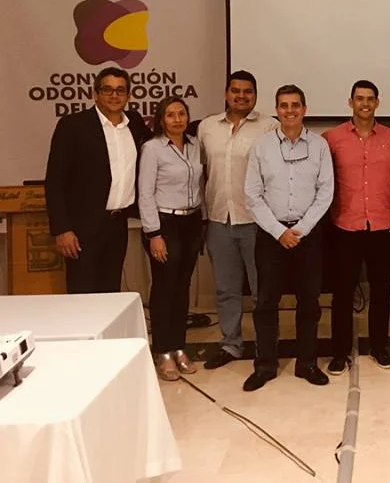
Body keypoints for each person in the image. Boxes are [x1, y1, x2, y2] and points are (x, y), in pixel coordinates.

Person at [242, 85, 334, 391]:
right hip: (272, 235)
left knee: (309, 301)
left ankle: (306, 363)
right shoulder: (262, 146)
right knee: (266, 302)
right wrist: (279, 231)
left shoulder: (319, 146)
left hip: (308, 235)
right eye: (284, 105)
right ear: (276, 110)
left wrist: (301, 229)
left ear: (304, 109)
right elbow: (252, 195)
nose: (290, 111)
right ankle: (265, 365)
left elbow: (326, 192)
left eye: (296, 105)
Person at [196, 70, 278, 369]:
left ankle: (266, 346)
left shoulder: (269, 127)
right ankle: (230, 344)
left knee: (261, 290)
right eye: (235, 90)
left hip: (258, 222)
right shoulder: (207, 127)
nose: (241, 96)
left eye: (247, 91)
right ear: (226, 93)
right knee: (226, 289)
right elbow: (200, 171)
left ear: (255, 95)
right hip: (219, 219)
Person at [323, 80, 390, 374]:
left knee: (381, 291)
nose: (365, 104)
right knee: (343, 293)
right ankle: (339, 352)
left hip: (383, 225)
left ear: (377, 103)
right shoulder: (332, 138)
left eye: (370, 99)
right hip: (345, 226)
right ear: (350, 102)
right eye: (359, 98)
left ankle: (380, 348)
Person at [45, 66, 150, 294]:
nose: (114, 95)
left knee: (110, 292)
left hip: (118, 225)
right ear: (95, 94)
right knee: (82, 295)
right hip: (82, 228)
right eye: (107, 89)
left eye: (120, 90)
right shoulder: (73, 125)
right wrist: (62, 229)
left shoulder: (134, 123)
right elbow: (54, 181)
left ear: (129, 96)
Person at [138, 96, 205, 380]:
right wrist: (153, 233)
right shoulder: (152, 148)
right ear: (161, 120)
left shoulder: (195, 145)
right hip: (164, 224)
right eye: (170, 115)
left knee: (182, 287)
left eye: (181, 114)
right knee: (165, 287)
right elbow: (145, 193)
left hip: (192, 221)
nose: (177, 119)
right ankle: (163, 351)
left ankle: (178, 347)